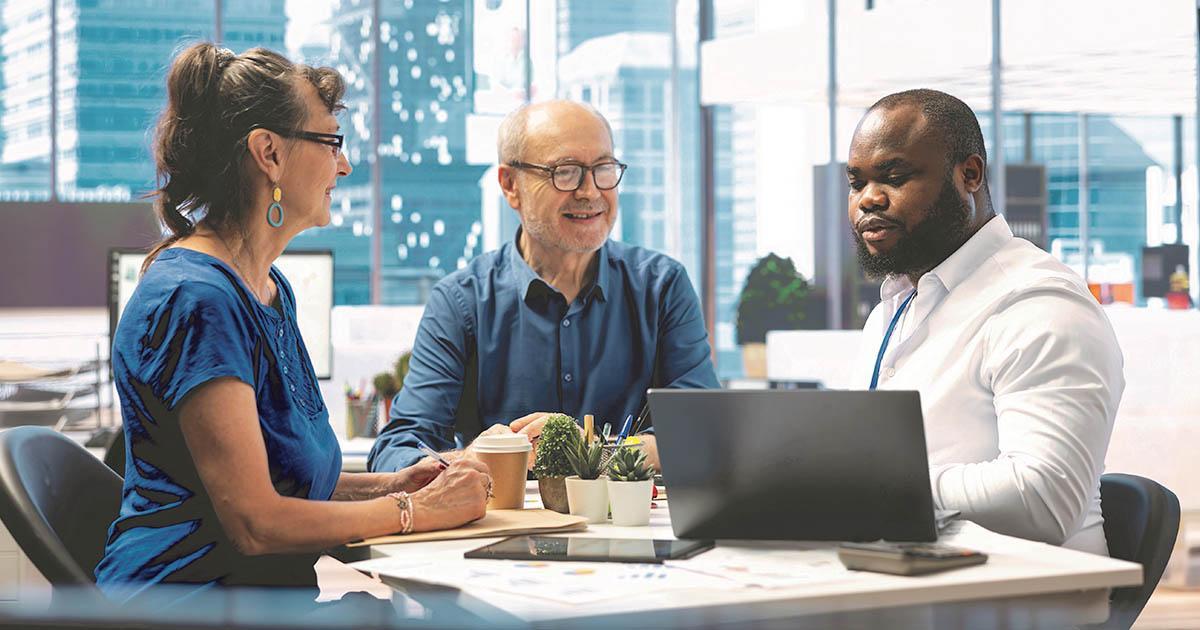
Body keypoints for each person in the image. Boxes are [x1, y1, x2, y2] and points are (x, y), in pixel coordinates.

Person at [94, 43, 491, 603]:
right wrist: (414, 511)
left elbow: (286, 478)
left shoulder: (268, 289)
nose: (345, 165)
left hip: (249, 594)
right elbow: (256, 522)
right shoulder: (197, 299)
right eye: (332, 142)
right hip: (185, 600)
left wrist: (394, 483)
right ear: (269, 154)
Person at [368, 100, 719, 474]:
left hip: (633, 527)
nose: (590, 191)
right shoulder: (461, 302)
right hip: (505, 527)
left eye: (603, 169)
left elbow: (706, 433)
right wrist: (486, 459)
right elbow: (396, 451)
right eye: (565, 173)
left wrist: (588, 452)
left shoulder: (661, 288)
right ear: (510, 185)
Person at [846, 89, 1123, 555]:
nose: (870, 198)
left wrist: (874, 493)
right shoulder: (892, 311)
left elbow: (1045, 498)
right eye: (856, 183)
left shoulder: (1038, 304)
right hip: (911, 574)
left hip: (1024, 598)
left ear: (969, 175)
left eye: (894, 177)